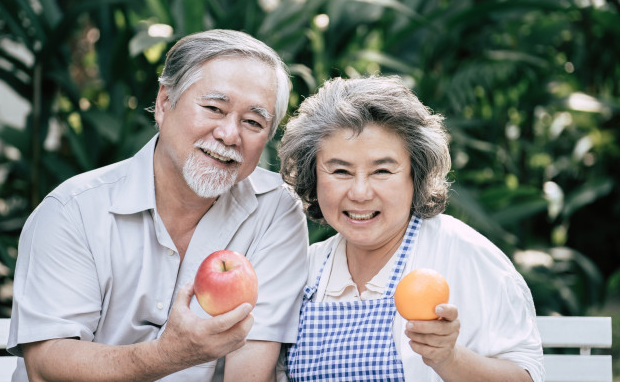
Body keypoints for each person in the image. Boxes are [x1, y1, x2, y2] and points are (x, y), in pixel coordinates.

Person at [8, 29, 308, 381]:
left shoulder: (275, 209)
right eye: (214, 108)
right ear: (165, 103)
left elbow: (251, 367)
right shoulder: (73, 210)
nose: (229, 134)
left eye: (253, 122)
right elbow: (47, 366)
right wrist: (167, 355)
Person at [278, 76, 544, 381]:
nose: (360, 192)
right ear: (313, 177)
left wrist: (449, 358)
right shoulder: (304, 269)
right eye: (340, 171)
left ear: (415, 175)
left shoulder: (467, 255)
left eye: (382, 171)